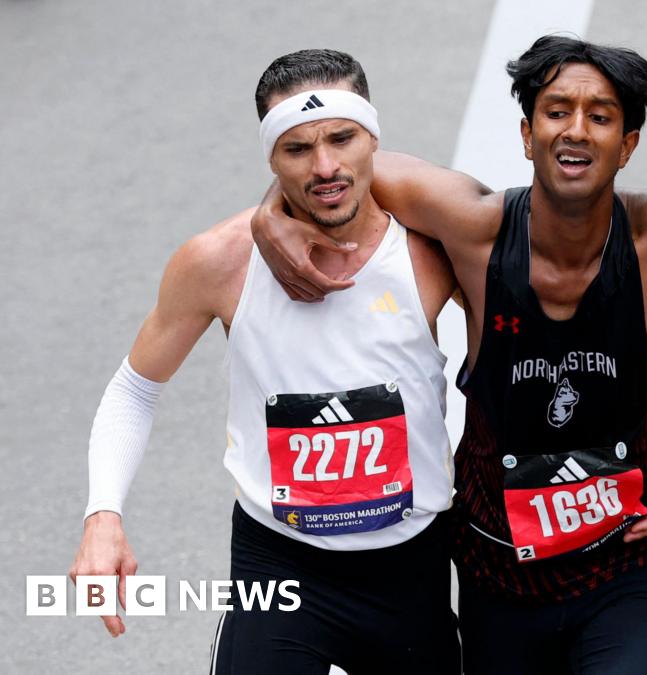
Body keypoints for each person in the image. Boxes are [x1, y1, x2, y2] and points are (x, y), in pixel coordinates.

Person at [252, 35, 647, 674]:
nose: (575, 131)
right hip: (497, 574)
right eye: (556, 112)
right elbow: (327, 168)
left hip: (625, 569)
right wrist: (270, 209)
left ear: (628, 144)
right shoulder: (475, 229)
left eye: (601, 117)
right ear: (527, 134)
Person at [68, 49, 462, 674]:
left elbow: (559, 330)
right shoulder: (218, 262)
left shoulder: (434, 250)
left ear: (374, 140)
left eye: (342, 138)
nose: (325, 166)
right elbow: (133, 390)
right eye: (296, 149)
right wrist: (102, 515)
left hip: (410, 569)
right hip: (280, 566)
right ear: (270, 158)